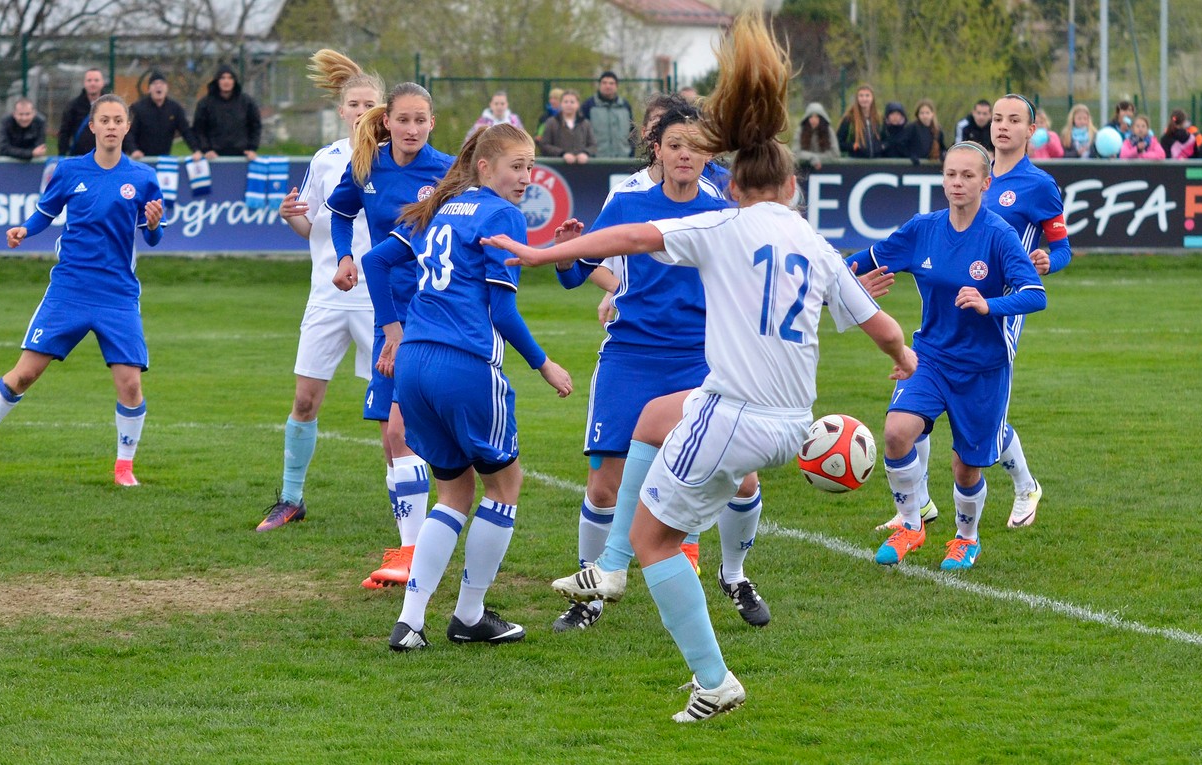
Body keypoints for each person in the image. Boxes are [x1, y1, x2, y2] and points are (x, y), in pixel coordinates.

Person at [487, 10, 916, 722]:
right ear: (787, 187)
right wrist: (903, 358)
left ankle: (711, 677)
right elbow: (886, 328)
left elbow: (628, 234)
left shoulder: (720, 222)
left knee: (658, 540)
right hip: (788, 424)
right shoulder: (813, 241)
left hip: (734, 417)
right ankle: (613, 568)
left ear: (737, 184)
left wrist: (538, 252)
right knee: (653, 420)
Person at [546, 103, 768, 635]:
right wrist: (563, 252)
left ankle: (733, 575)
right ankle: (591, 591)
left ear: (709, 153)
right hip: (632, 356)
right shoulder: (628, 201)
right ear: (658, 152)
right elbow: (576, 271)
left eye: (694, 145)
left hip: (701, 359)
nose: (684, 153)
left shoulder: (724, 207)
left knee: (741, 479)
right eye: (674, 145)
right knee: (605, 485)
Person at [361, 123, 574, 651]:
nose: (526, 177)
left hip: (413, 364)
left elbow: (375, 261)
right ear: (485, 166)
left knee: (454, 491)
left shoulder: (439, 204)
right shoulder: (502, 215)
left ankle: (410, 623)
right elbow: (500, 309)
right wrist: (544, 364)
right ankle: (469, 615)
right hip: (466, 365)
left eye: (530, 166)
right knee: (504, 484)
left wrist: (393, 329)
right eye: (516, 166)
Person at [876, 94, 1070, 534]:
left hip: (1001, 315)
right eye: (998, 118)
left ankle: (1024, 486)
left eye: (1014, 120)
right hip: (950, 315)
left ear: (1030, 130)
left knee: (982, 415)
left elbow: (1062, 248)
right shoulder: (972, 170)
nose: (1003, 126)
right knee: (918, 410)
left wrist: (1046, 261)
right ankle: (919, 504)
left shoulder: (1038, 185)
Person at [849, 140, 1046, 571]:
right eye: (951, 175)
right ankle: (910, 524)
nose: (957, 183)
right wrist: (836, 282)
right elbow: (864, 261)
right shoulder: (923, 229)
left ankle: (966, 539)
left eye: (968, 176)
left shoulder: (999, 235)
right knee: (897, 432)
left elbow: (1035, 294)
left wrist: (989, 304)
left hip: (983, 368)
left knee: (965, 468)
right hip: (929, 357)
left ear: (985, 182)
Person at [0, 94, 164, 489]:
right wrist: (24, 229)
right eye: (104, 120)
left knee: (131, 385)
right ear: (92, 125)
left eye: (118, 120)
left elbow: (153, 239)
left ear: (127, 126)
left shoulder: (143, 177)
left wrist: (153, 225)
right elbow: (44, 214)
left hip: (118, 295)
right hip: (69, 290)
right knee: (24, 375)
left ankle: (123, 469)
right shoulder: (68, 170)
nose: (111, 126)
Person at [325, 82, 455, 588]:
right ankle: (412, 546)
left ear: (432, 123)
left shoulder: (446, 172)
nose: (412, 129)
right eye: (403, 119)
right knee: (391, 435)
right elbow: (340, 211)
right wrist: (344, 256)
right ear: (387, 122)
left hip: (433, 313)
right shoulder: (366, 166)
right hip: (387, 314)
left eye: (421, 120)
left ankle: (413, 551)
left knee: (409, 432)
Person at [256, 50, 384, 532]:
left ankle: (407, 505)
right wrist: (293, 217)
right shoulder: (325, 159)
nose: (359, 110)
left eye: (369, 102)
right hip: (327, 295)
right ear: (341, 109)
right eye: (353, 103)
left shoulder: (395, 160)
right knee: (305, 400)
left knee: (393, 407)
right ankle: (290, 498)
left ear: (382, 110)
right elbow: (313, 228)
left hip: (380, 298)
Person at [193, 65, 263, 160]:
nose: (226, 81)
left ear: (234, 81)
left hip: (242, 157)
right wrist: (206, 149)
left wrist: (252, 148)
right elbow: (199, 129)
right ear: (217, 81)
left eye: (230, 78)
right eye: (222, 78)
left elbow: (256, 126)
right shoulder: (205, 104)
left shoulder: (247, 102)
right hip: (213, 158)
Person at [128, 72, 202, 160]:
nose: (158, 86)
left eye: (162, 83)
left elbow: (186, 131)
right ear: (149, 89)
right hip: (141, 159)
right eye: (155, 84)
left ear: (167, 88)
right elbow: (129, 133)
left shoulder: (175, 109)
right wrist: (133, 150)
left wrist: (196, 150)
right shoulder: (138, 108)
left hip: (164, 160)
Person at [57, 68, 125, 156]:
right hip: (81, 158)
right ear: (84, 83)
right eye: (89, 80)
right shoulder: (73, 106)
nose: (92, 83)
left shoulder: (113, 106)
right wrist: (62, 154)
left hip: (108, 157)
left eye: (96, 80)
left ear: (102, 83)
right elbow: (64, 132)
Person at [580, 71, 634, 158]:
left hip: (623, 159)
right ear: (599, 85)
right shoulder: (588, 105)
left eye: (611, 83)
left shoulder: (625, 106)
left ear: (616, 86)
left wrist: (631, 153)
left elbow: (632, 131)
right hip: (596, 160)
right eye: (604, 83)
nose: (608, 86)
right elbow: (581, 133)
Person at [537, 89, 595, 163]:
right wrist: (562, 154)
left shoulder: (585, 123)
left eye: (572, 102)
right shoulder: (551, 122)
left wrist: (585, 153)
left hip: (581, 167)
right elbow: (544, 144)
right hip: (557, 166)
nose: (569, 104)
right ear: (561, 104)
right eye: (566, 102)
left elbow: (593, 145)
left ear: (578, 105)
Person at [837, 84, 882, 158]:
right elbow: (838, 143)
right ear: (857, 99)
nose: (864, 99)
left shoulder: (879, 119)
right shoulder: (849, 119)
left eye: (867, 95)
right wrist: (852, 146)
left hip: (877, 163)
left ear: (872, 98)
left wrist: (882, 146)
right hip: (856, 163)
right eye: (861, 96)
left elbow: (886, 139)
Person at [793, 101, 840, 170]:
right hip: (804, 170)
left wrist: (818, 158)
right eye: (811, 117)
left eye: (816, 117)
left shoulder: (828, 130)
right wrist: (811, 157)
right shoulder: (800, 130)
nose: (813, 120)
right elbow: (795, 152)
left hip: (826, 169)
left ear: (822, 118)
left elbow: (835, 153)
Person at [905, 99, 947, 164]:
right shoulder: (912, 128)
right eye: (922, 113)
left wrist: (942, 155)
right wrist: (911, 155)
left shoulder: (938, 130)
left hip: (930, 166)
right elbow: (905, 146)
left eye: (927, 113)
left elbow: (942, 148)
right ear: (918, 115)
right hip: (916, 165)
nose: (925, 116)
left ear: (932, 114)